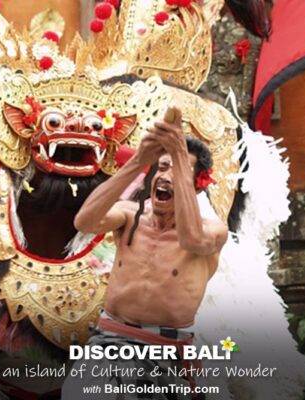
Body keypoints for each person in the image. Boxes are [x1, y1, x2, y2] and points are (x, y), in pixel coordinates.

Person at [62, 107, 228, 399]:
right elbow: (83, 222)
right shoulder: (130, 216)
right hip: (110, 341)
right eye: (161, 168)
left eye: (178, 170)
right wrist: (139, 160)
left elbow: (191, 241)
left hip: (170, 351)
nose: (166, 176)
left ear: (196, 186)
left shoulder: (212, 230)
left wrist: (178, 152)